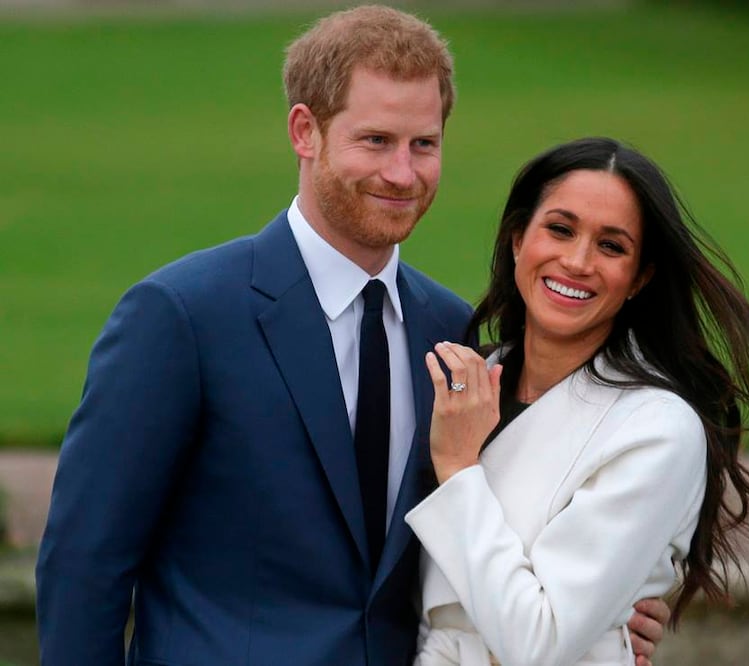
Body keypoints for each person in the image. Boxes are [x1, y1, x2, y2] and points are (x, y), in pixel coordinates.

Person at [35, 7, 667, 666]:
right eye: (376, 141)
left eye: (423, 144)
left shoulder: (451, 331)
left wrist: (604, 606)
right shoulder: (182, 317)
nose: (402, 173)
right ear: (304, 132)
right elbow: (84, 564)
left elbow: (489, 523)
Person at [404, 137, 749, 665]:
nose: (577, 261)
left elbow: (539, 643)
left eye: (611, 246)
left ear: (639, 278)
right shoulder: (467, 383)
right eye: (560, 230)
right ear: (518, 239)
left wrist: (458, 469)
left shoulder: (656, 428)